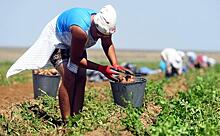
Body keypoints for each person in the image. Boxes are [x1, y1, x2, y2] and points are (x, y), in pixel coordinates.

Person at [6, 5, 129, 122]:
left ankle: (76, 119)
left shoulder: (104, 27)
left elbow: (107, 43)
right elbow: (76, 59)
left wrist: (115, 64)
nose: (100, 37)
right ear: (94, 24)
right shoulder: (80, 31)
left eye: (104, 35)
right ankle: (66, 122)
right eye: (99, 34)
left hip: (74, 44)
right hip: (57, 41)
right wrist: (101, 68)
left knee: (81, 78)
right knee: (69, 77)